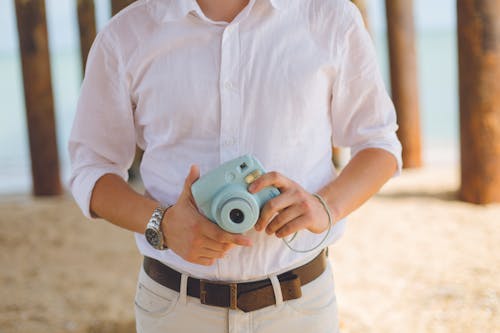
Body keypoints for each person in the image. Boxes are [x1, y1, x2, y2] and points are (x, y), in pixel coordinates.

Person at [69, 0, 402, 332]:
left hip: (300, 307)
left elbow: (378, 143)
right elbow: (92, 168)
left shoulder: (330, 17)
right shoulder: (126, 34)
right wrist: (163, 224)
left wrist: (324, 205)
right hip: (175, 310)